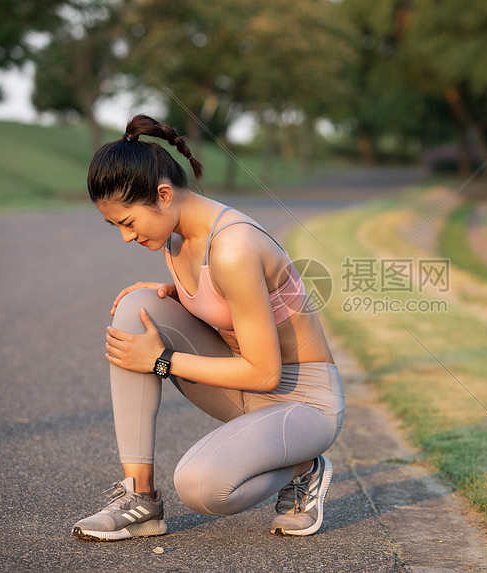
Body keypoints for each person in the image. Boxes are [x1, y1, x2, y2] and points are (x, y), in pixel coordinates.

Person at [71, 114, 344, 541]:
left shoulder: (233, 246)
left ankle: (304, 467)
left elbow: (265, 373)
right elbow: (226, 311)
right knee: (136, 308)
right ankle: (140, 498)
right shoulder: (177, 239)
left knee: (201, 487)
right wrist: (176, 298)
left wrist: (162, 362)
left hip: (303, 402)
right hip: (248, 394)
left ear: (163, 195)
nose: (126, 237)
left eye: (127, 222)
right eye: (116, 227)